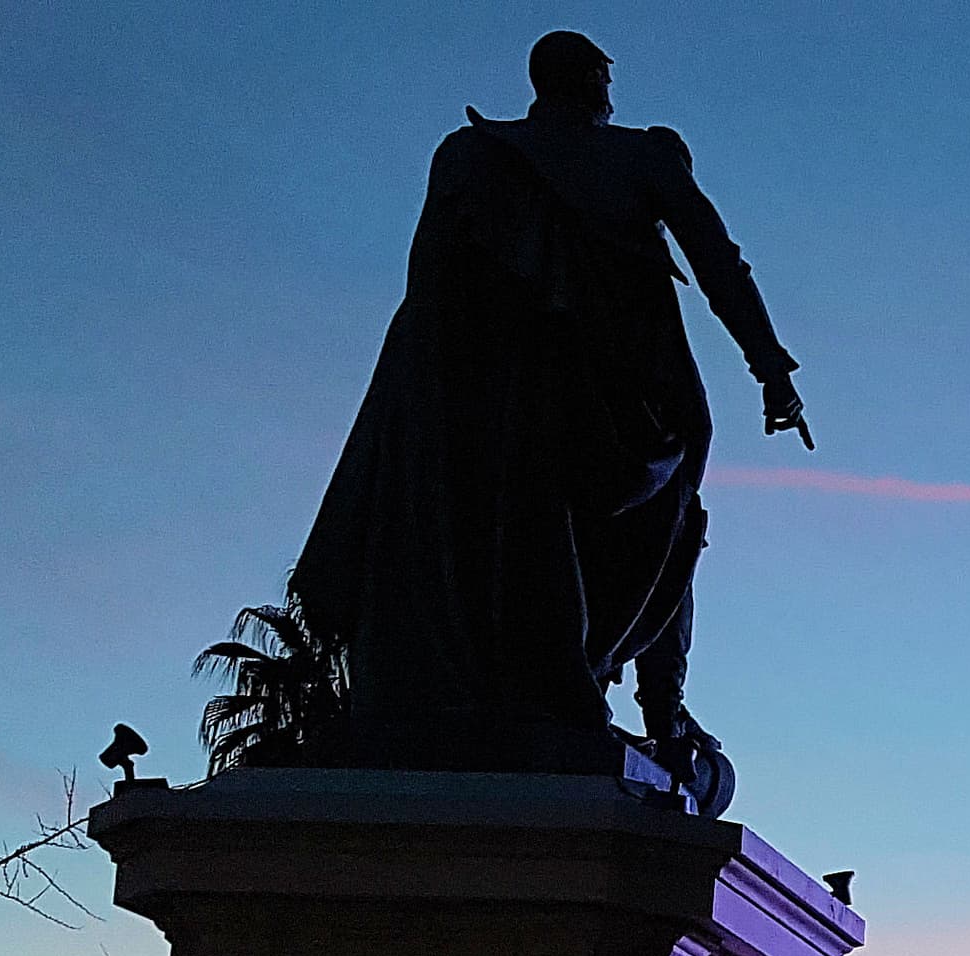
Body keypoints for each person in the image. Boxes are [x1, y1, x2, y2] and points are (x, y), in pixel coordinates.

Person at [293, 30, 809, 798]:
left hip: (474, 397)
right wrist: (771, 370)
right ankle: (635, 703)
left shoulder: (468, 155)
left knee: (514, 527)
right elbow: (717, 260)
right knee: (667, 522)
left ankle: (574, 684)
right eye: (608, 76)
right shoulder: (639, 158)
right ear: (597, 82)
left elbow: (426, 289)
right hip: (613, 399)